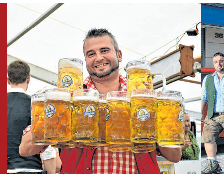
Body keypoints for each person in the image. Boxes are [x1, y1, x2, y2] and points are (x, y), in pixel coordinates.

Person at [56, 28, 186, 174]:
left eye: (104, 50)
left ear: (119, 55)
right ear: (85, 60)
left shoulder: (144, 96)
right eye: (91, 54)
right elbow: (26, 148)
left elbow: (174, 156)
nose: (98, 58)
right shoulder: (71, 97)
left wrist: (164, 121)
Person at [9, 60, 61, 173]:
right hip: (29, 168)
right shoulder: (37, 105)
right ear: (28, 79)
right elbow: (45, 140)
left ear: (8, 80)